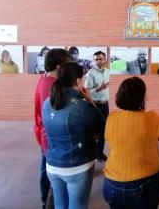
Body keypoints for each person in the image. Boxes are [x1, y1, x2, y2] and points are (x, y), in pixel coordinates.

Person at [42, 62, 104, 209]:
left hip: (52, 164)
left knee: (60, 205)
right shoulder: (82, 106)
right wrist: (91, 101)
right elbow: (102, 128)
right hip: (77, 166)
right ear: (77, 81)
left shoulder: (47, 102)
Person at [102, 77, 159, 209]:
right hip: (144, 185)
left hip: (112, 185)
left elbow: (108, 138)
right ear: (142, 97)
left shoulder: (111, 118)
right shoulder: (153, 118)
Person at [34, 48, 72, 209]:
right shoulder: (53, 85)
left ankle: (46, 201)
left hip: (46, 135)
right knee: (53, 179)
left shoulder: (44, 79)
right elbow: (60, 112)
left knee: (47, 170)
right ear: (58, 65)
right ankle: (47, 203)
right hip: (52, 138)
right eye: (67, 64)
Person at [84, 51, 110, 162]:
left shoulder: (108, 72)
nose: (98, 61)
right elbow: (86, 91)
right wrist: (99, 89)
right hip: (95, 105)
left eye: (100, 59)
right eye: (96, 59)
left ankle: (99, 154)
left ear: (105, 59)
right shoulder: (90, 73)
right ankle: (91, 154)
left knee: (104, 130)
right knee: (94, 131)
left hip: (105, 104)